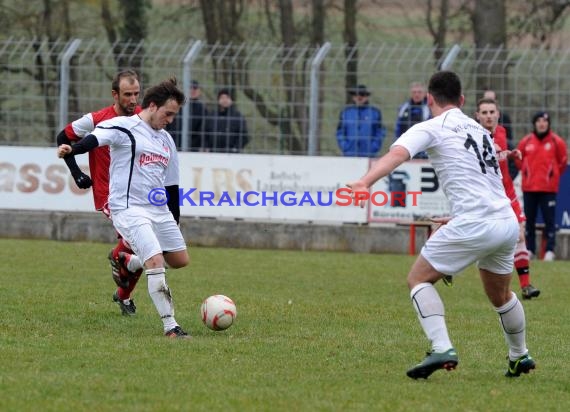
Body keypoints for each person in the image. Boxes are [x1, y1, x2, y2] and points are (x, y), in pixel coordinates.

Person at [347, 71, 535, 379]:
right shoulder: (480, 129)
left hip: (475, 222)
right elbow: (486, 179)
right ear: (462, 100)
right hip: (505, 221)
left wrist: (365, 182)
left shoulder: (432, 127)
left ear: (430, 99)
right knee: (500, 295)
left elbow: (397, 154)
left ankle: (441, 347)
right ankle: (520, 355)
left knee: (418, 279)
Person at [57, 78, 191, 339]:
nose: (170, 120)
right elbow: (95, 139)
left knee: (179, 260)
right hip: (128, 208)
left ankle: (130, 262)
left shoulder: (166, 140)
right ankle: (170, 327)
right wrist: (73, 149)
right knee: (155, 261)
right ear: (152, 106)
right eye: (168, 114)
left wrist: (173, 220)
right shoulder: (124, 126)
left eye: (174, 115)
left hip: (158, 209)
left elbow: (172, 186)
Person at [56, 69, 144, 316]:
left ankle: (123, 294)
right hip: (109, 195)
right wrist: (77, 173)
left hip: (136, 194)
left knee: (137, 248)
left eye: (137, 93)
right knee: (137, 244)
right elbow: (63, 137)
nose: (134, 100)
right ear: (115, 94)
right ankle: (118, 259)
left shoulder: (142, 117)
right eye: (128, 94)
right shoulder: (96, 120)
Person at [476, 98, 540, 299]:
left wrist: (511, 154)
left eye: (491, 112)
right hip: (485, 195)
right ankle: (445, 267)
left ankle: (526, 286)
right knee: (475, 236)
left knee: (520, 235)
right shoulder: (473, 136)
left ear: (497, 114)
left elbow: (502, 155)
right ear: (477, 116)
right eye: (484, 112)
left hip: (507, 193)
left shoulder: (503, 133)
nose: (488, 116)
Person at [514, 111, 568, 261]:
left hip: (548, 189)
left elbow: (562, 163)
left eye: (544, 121)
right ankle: (530, 250)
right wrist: (527, 174)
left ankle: (550, 251)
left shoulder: (557, 142)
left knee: (549, 221)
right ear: (535, 123)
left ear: (548, 123)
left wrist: (552, 176)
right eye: (538, 121)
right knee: (529, 221)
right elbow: (519, 161)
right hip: (529, 188)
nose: (541, 124)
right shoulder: (526, 141)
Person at [336, 84, 385, 157]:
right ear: (353, 97)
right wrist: (345, 147)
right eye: (356, 94)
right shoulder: (345, 112)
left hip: (369, 155)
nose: (359, 97)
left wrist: (373, 147)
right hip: (349, 154)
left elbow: (380, 132)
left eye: (362, 94)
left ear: (366, 96)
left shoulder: (375, 112)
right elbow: (340, 132)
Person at [483, 89, 518, 180]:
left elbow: (509, 143)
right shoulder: (474, 123)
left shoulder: (505, 119)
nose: (488, 116)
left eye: (491, 99)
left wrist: (508, 177)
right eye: (486, 99)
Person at [166, 80, 208, 151]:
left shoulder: (202, 109)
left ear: (199, 91)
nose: (192, 90)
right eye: (190, 88)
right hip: (175, 144)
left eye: (195, 88)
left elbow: (203, 129)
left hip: (194, 146)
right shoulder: (178, 105)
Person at [205, 88, 249, 153]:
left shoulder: (238, 116)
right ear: (218, 100)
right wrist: (206, 147)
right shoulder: (211, 116)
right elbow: (204, 133)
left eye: (227, 97)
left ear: (231, 100)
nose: (224, 100)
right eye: (222, 98)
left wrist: (236, 149)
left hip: (231, 156)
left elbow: (244, 136)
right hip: (213, 154)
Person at [394, 82, 430, 159]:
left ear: (424, 94)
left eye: (419, 92)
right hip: (405, 147)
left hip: (423, 149)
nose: (416, 94)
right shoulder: (404, 108)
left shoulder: (429, 108)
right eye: (414, 92)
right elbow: (398, 127)